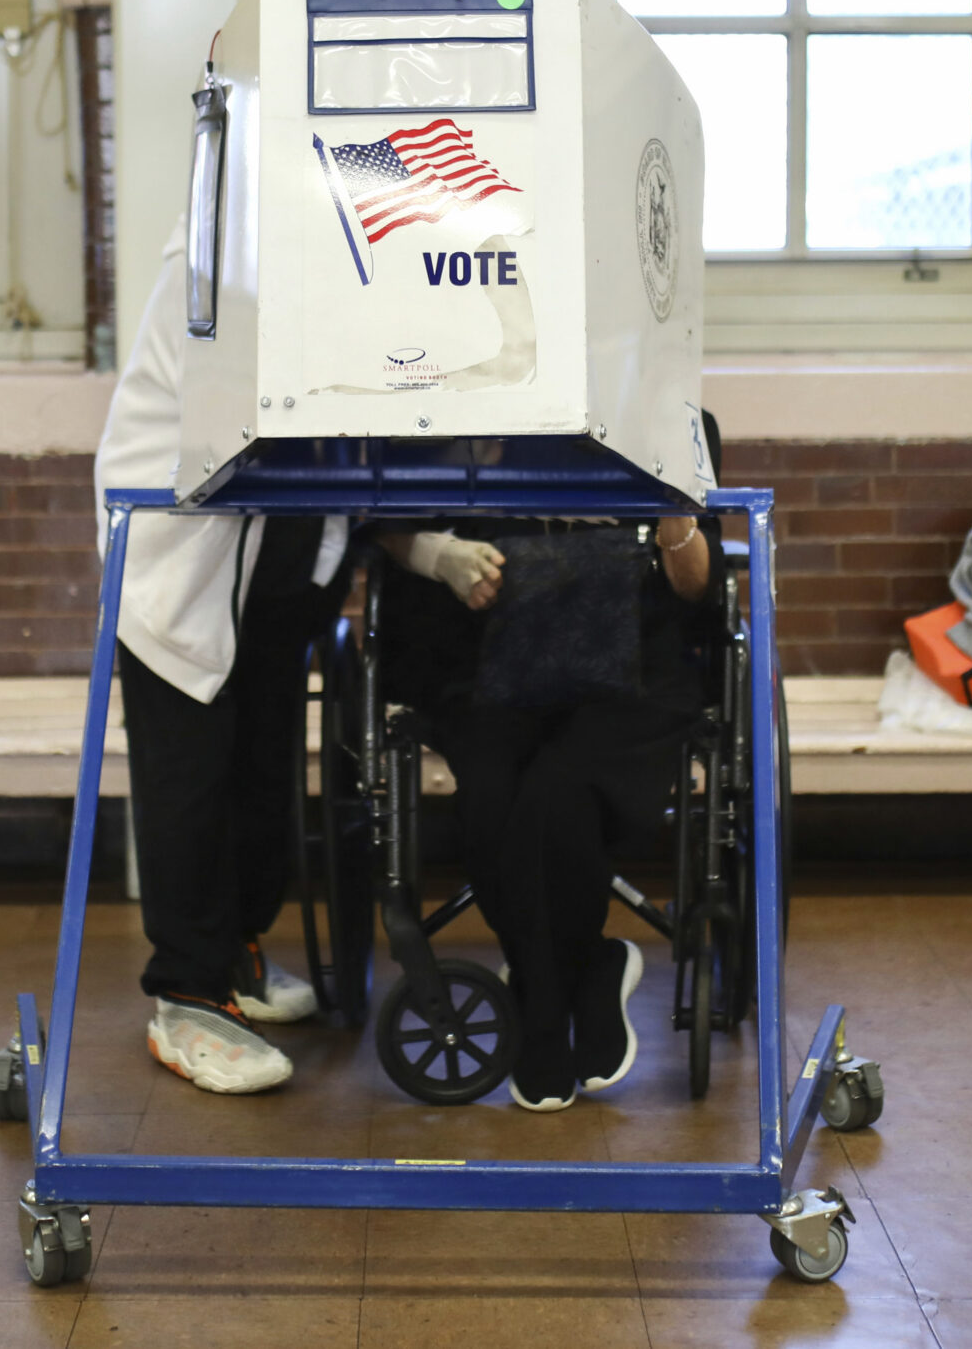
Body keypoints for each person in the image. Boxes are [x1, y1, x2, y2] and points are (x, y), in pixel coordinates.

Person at [93, 224, 350, 1095]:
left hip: (267, 562)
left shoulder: (303, 239)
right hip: (184, 561)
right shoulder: (218, 247)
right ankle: (187, 995)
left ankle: (238, 954)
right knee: (189, 785)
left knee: (257, 776)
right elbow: (252, 403)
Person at [378, 491, 720, 1111]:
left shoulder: (665, 415)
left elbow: (696, 589)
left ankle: (540, 1019)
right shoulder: (463, 418)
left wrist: (674, 513)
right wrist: (440, 555)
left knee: (557, 792)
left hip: (633, 668)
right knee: (490, 798)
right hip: (486, 661)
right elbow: (384, 526)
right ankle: (587, 970)